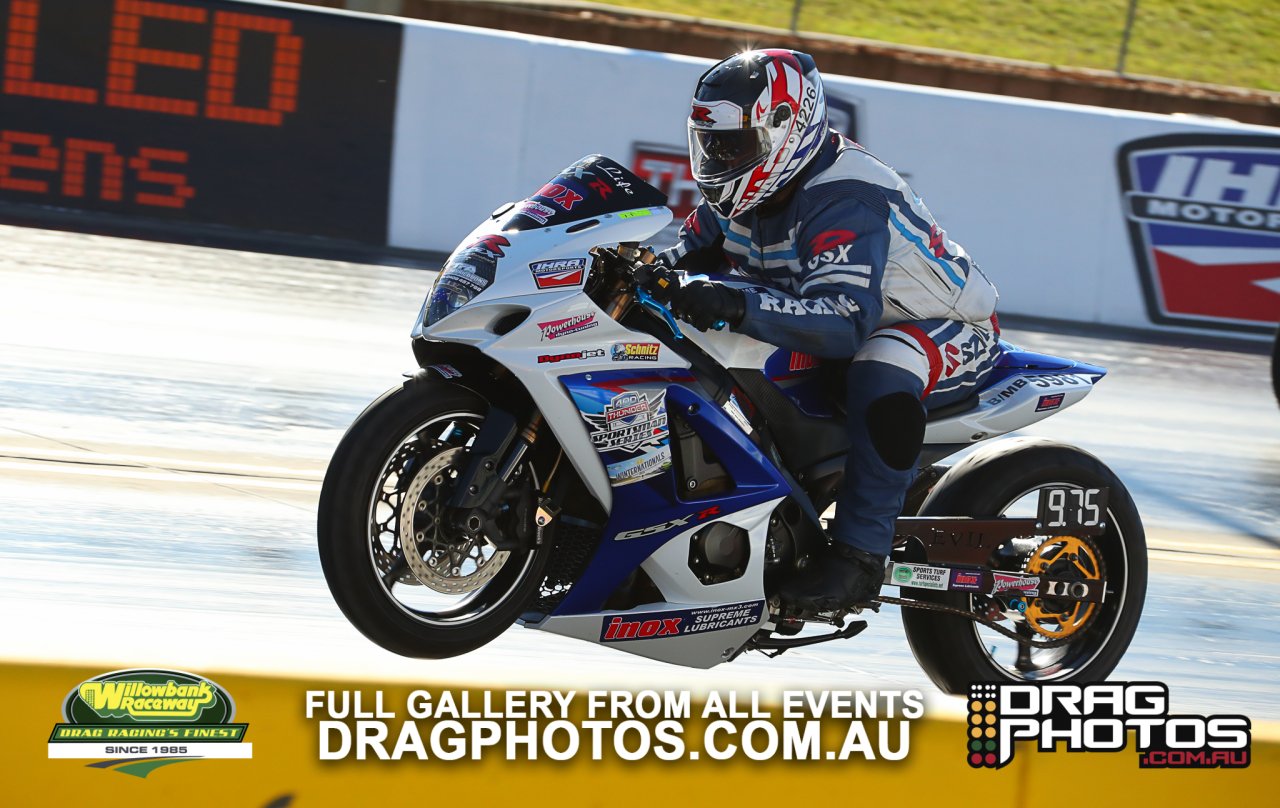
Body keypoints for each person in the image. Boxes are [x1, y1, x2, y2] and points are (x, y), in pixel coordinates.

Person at [655, 49, 1001, 612]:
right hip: (838, 315)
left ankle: (858, 559)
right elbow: (680, 258)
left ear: (784, 131)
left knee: (880, 369)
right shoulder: (744, 191)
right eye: (709, 142)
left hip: (940, 326)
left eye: (734, 144)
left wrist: (733, 301)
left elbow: (842, 324)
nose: (718, 157)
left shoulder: (844, 197)